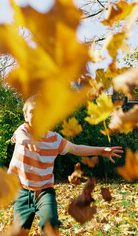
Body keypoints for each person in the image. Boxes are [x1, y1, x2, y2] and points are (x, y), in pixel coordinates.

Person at [8, 96, 123, 233]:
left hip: (44, 191)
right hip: (22, 190)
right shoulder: (24, 131)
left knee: (51, 222)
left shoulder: (55, 139)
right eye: (33, 112)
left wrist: (100, 150)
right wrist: (27, 141)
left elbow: (75, 148)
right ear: (26, 116)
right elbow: (20, 137)